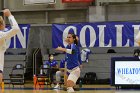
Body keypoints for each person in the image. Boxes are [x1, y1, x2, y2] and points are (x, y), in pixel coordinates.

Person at [0, 9, 20, 86]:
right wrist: (10, 16)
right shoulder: (1, 34)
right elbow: (16, 29)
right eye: (4, 23)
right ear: (1, 24)